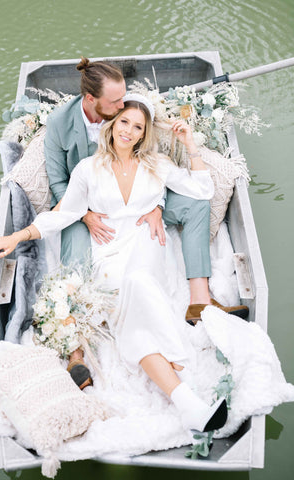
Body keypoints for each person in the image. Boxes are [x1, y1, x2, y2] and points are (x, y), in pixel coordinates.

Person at [0, 95, 236, 434]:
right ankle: (186, 402)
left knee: (139, 283)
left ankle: (185, 401)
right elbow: (64, 214)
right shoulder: (88, 169)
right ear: (112, 124)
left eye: (138, 127)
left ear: (144, 133)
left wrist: (189, 143)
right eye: (124, 122)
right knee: (129, 298)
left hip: (146, 243)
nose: (129, 131)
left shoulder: (155, 164)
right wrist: (15, 237)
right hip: (107, 250)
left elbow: (202, 190)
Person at [44, 57, 248, 387]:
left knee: (197, 202)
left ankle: (199, 300)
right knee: (75, 251)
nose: (123, 106)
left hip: (138, 202)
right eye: (116, 103)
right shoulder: (59, 124)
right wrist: (83, 213)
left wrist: (159, 203)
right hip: (88, 207)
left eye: (125, 100)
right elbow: (57, 182)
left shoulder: (133, 123)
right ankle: (76, 352)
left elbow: (156, 170)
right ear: (91, 101)